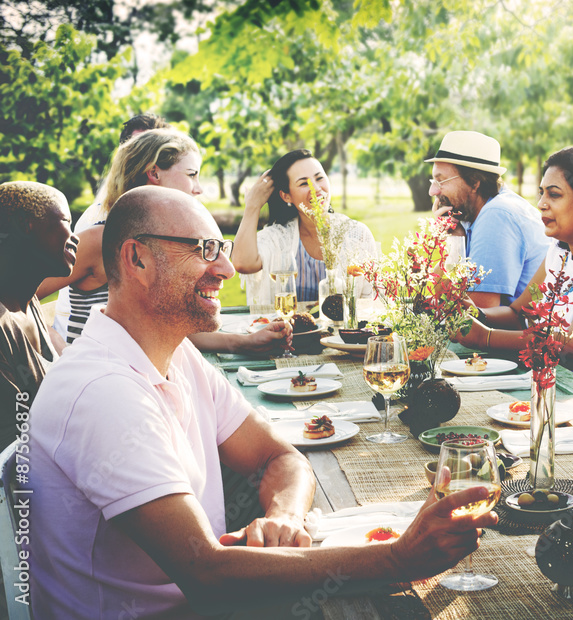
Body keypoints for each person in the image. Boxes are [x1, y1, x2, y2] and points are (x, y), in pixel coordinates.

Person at [28, 186, 498, 619]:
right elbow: (207, 573)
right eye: (203, 250)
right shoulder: (103, 392)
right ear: (138, 259)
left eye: (222, 249)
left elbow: (280, 456)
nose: (227, 270)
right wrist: (397, 558)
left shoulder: (177, 353)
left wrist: (286, 518)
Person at [37, 128, 290, 353]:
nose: (198, 188)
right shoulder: (101, 240)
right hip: (100, 379)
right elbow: (13, 296)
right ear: (154, 173)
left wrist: (244, 342)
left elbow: (174, 323)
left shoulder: (166, 240)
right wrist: (59, 350)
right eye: (191, 174)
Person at [457, 146, 573, 375]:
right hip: (551, 381)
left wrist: (485, 338)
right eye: (542, 193)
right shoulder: (560, 250)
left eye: (554, 194)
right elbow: (519, 315)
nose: (541, 204)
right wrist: (475, 315)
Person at [51, 112, 170, 338]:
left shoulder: (162, 227)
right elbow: (26, 298)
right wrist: (58, 347)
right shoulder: (99, 226)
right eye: (138, 149)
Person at [232, 149, 378, 305]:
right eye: (303, 183)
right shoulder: (278, 239)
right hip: (290, 329)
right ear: (286, 196)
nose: (316, 188)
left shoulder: (356, 234)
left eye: (319, 178)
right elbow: (242, 263)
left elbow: (372, 299)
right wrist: (252, 206)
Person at [428, 131, 548, 307]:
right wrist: (454, 239)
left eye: (442, 181)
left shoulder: (497, 215)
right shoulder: (471, 214)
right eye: (433, 180)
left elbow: (477, 315)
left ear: (475, 183)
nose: (432, 192)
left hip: (516, 331)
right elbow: (441, 295)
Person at [0, 181, 78, 446]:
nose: (75, 237)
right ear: (26, 224)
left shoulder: (26, 299)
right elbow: (14, 451)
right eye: (67, 221)